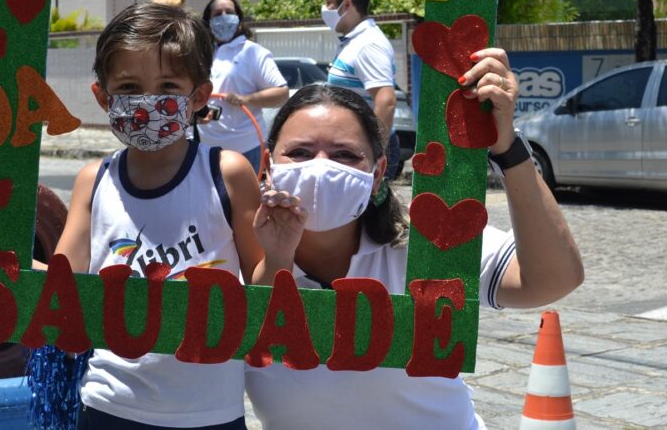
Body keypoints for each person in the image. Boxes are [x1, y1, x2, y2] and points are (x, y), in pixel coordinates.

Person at [0, 3, 278, 429]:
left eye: (167, 85)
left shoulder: (227, 172)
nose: (147, 101)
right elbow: (59, 287)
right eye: (128, 86)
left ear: (198, 96)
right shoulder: (94, 180)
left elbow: (265, 289)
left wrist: (281, 248)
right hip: (107, 405)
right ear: (102, 97)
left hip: (210, 414)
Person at [247, 48, 584, 429]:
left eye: (344, 155)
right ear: (268, 164)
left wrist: (506, 148)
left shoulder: (424, 243)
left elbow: (552, 278)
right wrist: (275, 262)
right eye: (300, 152)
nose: (321, 167)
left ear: (377, 173)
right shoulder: (238, 251)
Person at [197, 0, 288, 173]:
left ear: (238, 19)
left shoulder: (253, 52)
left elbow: (281, 93)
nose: (224, 17)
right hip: (205, 146)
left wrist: (246, 99)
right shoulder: (203, 53)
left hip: (245, 146)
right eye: (217, 14)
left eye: (229, 12)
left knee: (245, 201)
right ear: (208, 21)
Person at [321, 0, 401, 179]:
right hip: (352, 148)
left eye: (328, 3)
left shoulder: (368, 45)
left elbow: (386, 102)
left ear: (346, 5)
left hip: (363, 153)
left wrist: (372, 155)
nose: (324, 9)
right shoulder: (353, 41)